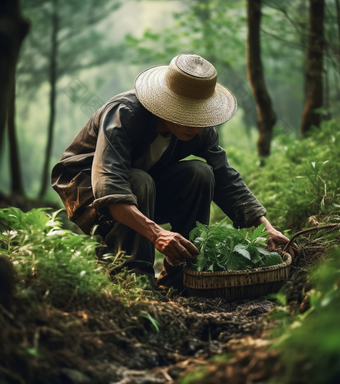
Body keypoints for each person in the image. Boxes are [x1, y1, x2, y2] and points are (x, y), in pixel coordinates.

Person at [52, 54, 289, 289]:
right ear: (165, 104)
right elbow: (109, 186)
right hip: (89, 193)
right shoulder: (124, 114)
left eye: (199, 116)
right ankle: (135, 281)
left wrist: (264, 227)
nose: (194, 125)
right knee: (138, 180)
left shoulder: (201, 131)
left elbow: (225, 177)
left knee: (201, 172)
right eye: (185, 114)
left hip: (146, 190)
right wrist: (157, 234)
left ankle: (180, 277)